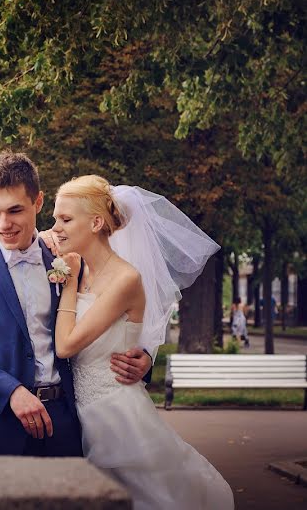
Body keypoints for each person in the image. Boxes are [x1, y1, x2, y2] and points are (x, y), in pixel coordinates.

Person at [0, 151, 151, 457]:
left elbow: (112, 318)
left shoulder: (69, 258)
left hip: (70, 419)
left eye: (15, 210)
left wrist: (144, 361)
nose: (3, 224)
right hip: (1, 425)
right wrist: (10, 390)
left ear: (38, 203)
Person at [51, 175, 233, 509]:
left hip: (114, 413)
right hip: (77, 411)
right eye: (54, 219)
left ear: (95, 222)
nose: (55, 228)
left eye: (65, 219)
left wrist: (69, 285)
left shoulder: (124, 278)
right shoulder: (80, 269)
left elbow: (66, 345)